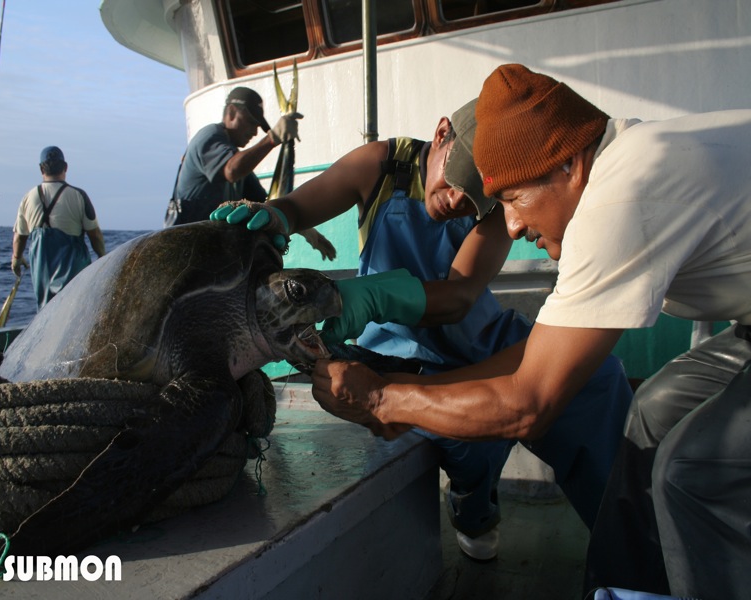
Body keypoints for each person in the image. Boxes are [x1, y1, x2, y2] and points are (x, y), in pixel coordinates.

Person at [303, 64, 751, 600]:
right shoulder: (626, 154)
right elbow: (530, 364)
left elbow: (527, 402)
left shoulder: (622, 199)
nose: (511, 226)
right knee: (655, 409)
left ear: (567, 165)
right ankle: (635, 589)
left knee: (692, 470)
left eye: (513, 199)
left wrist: (381, 398)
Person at [213, 99, 633, 561]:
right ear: (440, 135)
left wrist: (373, 296)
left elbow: (458, 296)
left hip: (476, 342)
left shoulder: (498, 202)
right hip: (394, 353)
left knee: (599, 380)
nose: (457, 202)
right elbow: (293, 208)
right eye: (456, 184)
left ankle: (627, 554)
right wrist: (272, 215)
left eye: (474, 199)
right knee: (460, 438)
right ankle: (475, 497)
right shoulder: (380, 165)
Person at [170, 86, 335, 260]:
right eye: (250, 122)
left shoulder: (241, 167)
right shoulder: (209, 136)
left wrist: (307, 231)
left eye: (258, 126)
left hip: (210, 251)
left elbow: (266, 204)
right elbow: (231, 170)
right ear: (232, 112)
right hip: (185, 251)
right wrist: (273, 138)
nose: (255, 132)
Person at [12, 146, 107, 310]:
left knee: (46, 313)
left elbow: (20, 237)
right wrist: (103, 258)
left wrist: (16, 258)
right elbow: (95, 235)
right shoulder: (79, 196)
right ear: (65, 167)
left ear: (41, 168)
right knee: (77, 311)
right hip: (74, 274)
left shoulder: (28, 198)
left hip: (42, 272)